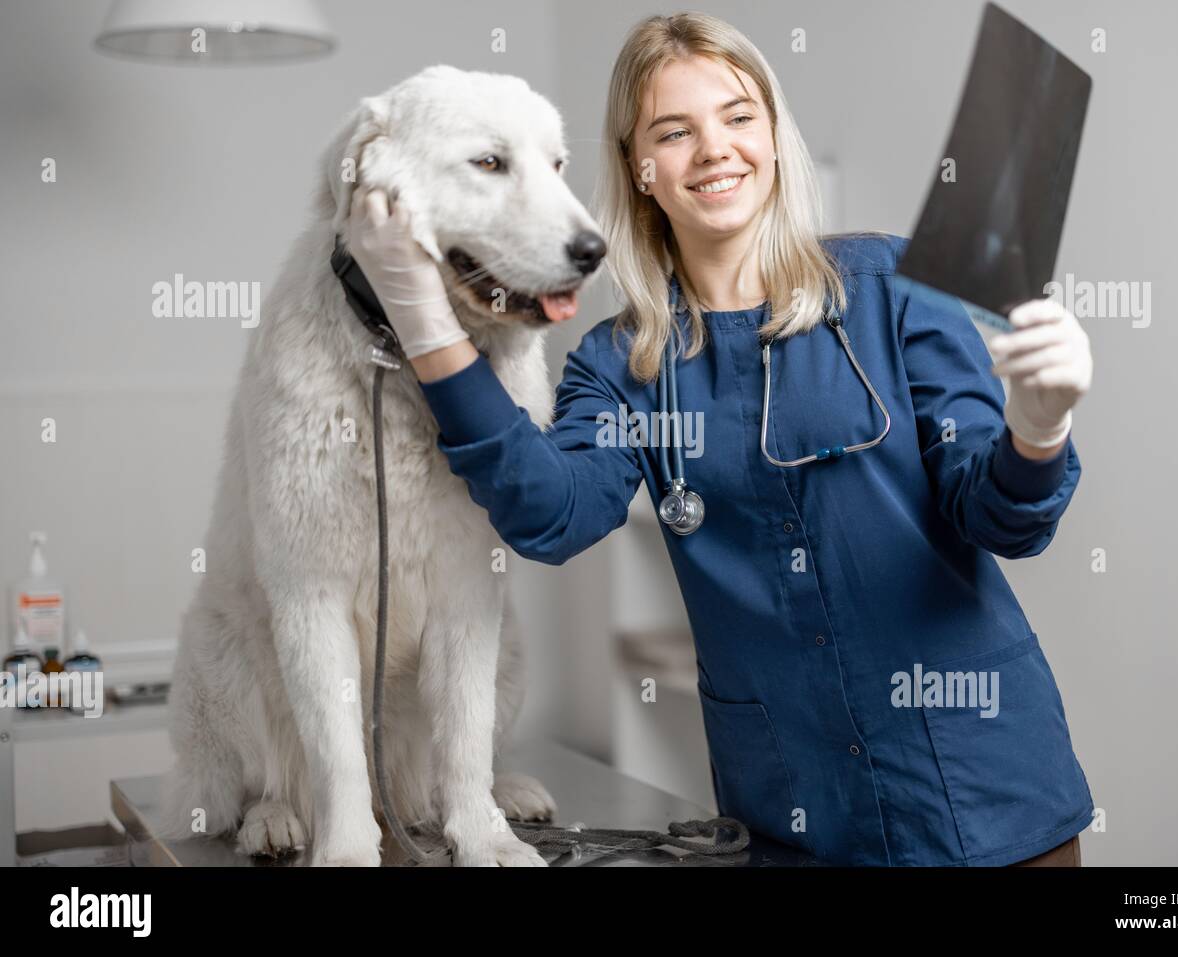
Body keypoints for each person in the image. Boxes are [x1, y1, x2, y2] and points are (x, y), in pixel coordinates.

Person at [347, 11, 1095, 866]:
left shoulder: (894, 289)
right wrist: (424, 318)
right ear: (641, 166)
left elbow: (1004, 520)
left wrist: (1039, 427)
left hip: (985, 794)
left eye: (739, 116)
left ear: (774, 137)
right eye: (676, 130)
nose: (715, 149)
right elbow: (550, 514)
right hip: (795, 809)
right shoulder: (621, 363)